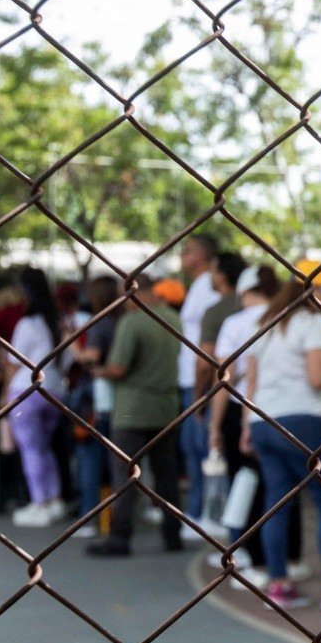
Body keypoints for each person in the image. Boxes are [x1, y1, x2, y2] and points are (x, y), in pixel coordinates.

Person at [240, 260, 321, 610]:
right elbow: (318, 379)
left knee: (276, 502)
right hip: (304, 420)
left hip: (264, 420)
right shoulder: (313, 322)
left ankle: (277, 585)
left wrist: (247, 425)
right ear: (316, 290)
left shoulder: (265, 324)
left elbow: (251, 382)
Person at [209, 264, 303, 588]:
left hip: (244, 411)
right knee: (287, 486)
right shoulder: (290, 316)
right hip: (287, 410)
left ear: (244, 292)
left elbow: (224, 378)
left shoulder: (236, 324)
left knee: (246, 484)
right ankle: (291, 557)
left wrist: (215, 425)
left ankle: (252, 558)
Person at [86, 273, 184, 556]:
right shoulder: (173, 319)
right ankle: (172, 534)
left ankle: (120, 536)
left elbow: (118, 368)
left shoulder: (132, 322)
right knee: (166, 474)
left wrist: (99, 371)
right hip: (166, 406)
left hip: (132, 408)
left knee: (126, 473)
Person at [0, 269, 68, 528]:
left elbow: (14, 363)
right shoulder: (59, 323)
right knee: (45, 448)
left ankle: (39, 503)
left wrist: (4, 395)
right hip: (55, 390)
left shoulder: (27, 324)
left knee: (30, 449)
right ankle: (54, 499)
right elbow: (67, 360)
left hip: (25, 391)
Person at [189, 251, 247, 540]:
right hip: (256, 398)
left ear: (222, 275)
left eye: (212, 271)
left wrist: (199, 395)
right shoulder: (254, 307)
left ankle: (217, 518)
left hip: (224, 395)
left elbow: (205, 361)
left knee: (213, 456)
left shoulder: (216, 311)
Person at [68, 276, 121, 534]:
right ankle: (116, 515)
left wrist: (72, 344)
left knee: (90, 456)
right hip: (121, 397)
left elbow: (91, 358)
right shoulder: (124, 320)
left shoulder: (101, 324)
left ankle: (89, 515)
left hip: (98, 397)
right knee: (117, 459)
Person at [176, 234, 221, 524]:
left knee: (202, 447)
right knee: (192, 447)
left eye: (188, 250)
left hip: (200, 379)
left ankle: (207, 513)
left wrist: (202, 380)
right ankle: (196, 511)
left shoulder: (207, 286)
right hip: (189, 378)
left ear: (202, 256)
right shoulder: (197, 286)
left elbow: (210, 338)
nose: (181, 255)